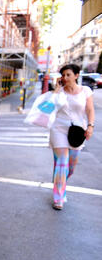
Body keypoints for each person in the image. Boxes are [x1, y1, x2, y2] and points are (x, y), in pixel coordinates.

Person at [50, 64, 95, 210]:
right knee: (62, 163)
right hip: (59, 129)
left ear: (76, 75)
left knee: (70, 167)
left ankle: (59, 181)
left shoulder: (85, 91)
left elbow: (89, 109)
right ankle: (58, 198)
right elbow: (51, 106)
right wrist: (57, 88)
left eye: (68, 74)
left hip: (77, 130)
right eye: (63, 75)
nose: (65, 77)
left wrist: (90, 126)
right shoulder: (59, 92)